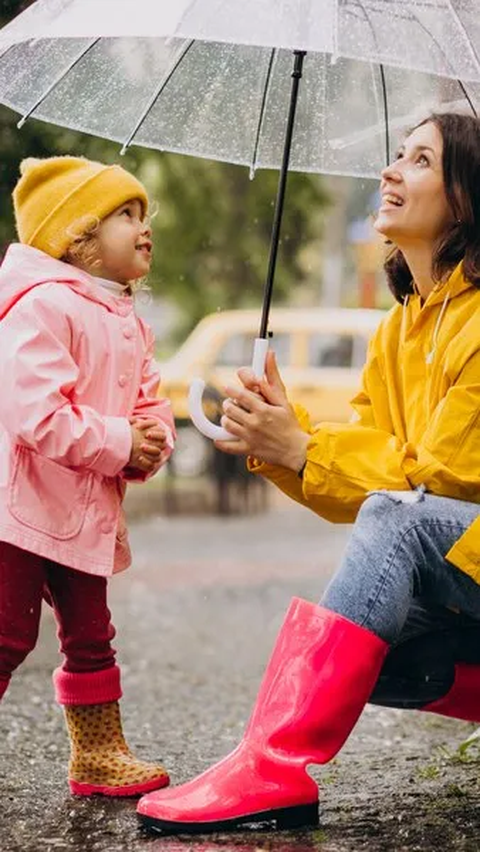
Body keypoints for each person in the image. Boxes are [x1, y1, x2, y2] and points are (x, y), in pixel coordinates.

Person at [137, 112, 480, 833]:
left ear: (466, 197)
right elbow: (372, 478)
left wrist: (304, 448)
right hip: (464, 570)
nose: (391, 172)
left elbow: (442, 482)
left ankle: (273, 767)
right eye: (396, 154)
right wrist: (281, 439)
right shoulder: (400, 328)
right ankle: (268, 761)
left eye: (420, 161)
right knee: (352, 639)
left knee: (396, 534)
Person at [0, 155, 176, 797]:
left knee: (91, 634)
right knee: (7, 633)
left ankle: (98, 753)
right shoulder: (39, 306)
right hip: (17, 509)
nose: (143, 226)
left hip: (82, 507)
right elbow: (37, 416)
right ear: (77, 238)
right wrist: (122, 441)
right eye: (124, 215)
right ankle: (97, 752)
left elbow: (147, 401)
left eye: (144, 214)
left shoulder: (125, 317)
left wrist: (151, 439)